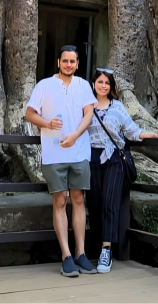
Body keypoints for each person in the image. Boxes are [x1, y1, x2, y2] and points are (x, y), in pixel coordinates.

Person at [25, 45, 98, 277]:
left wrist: (75, 135)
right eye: (65, 61)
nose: (69, 65)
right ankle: (66, 255)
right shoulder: (44, 85)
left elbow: (89, 114)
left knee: (78, 198)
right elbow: (30, 113)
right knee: (60, 200)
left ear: (77, 63)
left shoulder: (84, 85)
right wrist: (47, 124)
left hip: (79, 152)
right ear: (58, 62)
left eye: (72, 61)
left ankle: (81, 253)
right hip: (54, 152)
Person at [87, 68, 158, 273]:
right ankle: (95, 245)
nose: (103, 86)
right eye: (100, 82)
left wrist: (147, 134)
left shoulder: (117, 106)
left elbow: (131, 130)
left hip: (113, 159)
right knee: (94, 203)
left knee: (110, 203)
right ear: (93, 84)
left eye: (107, 83)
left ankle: (106, 250)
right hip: (91, 159)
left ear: (111, 87)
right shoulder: (86, 106)